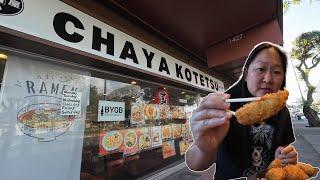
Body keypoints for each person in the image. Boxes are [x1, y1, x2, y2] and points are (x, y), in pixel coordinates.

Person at [185, 42, 298, 179]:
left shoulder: (282, 111)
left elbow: (283, 145)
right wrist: (205, 149)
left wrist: (285, 154)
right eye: (261, 69)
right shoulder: (224, 108)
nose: (268, 79)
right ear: (245, 74)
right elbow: (195, 164)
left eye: (277, 72)